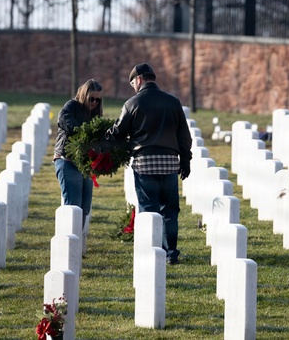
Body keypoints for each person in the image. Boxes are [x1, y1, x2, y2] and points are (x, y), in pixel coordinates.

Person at [106, 62, 192, 264]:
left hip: (144, 163)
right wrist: (186, 160)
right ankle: (171, 253)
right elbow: (184, 135)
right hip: (170, 163)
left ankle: (153, 251)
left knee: (149, 209)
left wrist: (105, 137)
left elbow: (118, 132)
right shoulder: (173, 102)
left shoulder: (132, 103)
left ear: (138, 79)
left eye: (132, 84)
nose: (133, 88)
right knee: (170, 211)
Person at [53, 78, 104, 222]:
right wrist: (84, 132)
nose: (94, 102)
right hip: (67, 160)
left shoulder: (95, 113)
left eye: (98, 100)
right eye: (91, 98)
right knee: (73, 205)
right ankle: (69, 235)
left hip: (84, 164)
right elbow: (64, 120)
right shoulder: (72, 106)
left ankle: (78, 235)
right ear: (84, 95)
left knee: (84, 208)